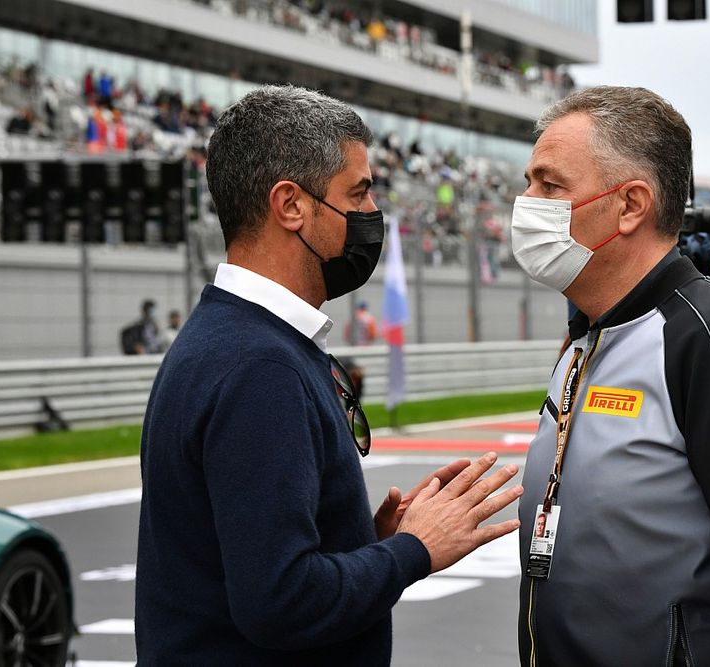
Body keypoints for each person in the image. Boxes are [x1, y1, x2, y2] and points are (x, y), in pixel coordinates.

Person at [135, 85, 523, 666]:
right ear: (290, 204)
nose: (372, 214)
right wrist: (416, 550)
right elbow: (281, 602)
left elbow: (249, 555)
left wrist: (367, 544)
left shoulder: (234, 337)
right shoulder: (259, 367)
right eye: (359, 192)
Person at [513, 86, 710, 667]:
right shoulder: (589, 333)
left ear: (631, 204)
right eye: (529, 182)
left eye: (550, 184)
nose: (526, 200)